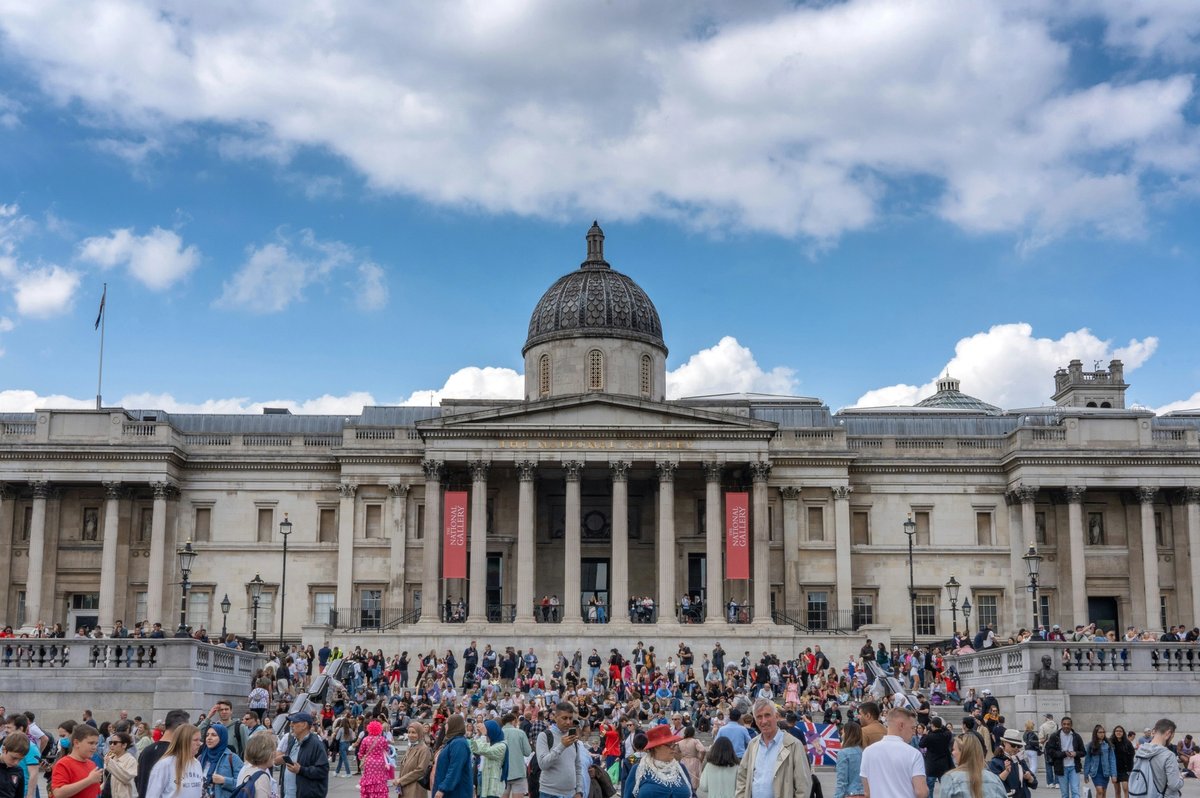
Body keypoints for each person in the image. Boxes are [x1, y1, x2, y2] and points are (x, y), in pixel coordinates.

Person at [733, 698, 811, 798]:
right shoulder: (752, 744)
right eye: (759, 717)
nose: (764, 721)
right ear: (755, 721)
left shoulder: (794, 745)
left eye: (767, 715)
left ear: (777, 716)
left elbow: (803, 786)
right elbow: (742, 777)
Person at [859, 707, 927, 798]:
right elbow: (921, 792)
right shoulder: (914, 754)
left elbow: (867, 792)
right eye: (912, 728)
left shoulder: (868, 752)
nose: (914, 732)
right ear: (901, 725)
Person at [624, 725, 690, 798]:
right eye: (670, 745)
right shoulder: (639, 769)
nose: (673, 749)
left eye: (674, 745)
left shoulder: (680, 768)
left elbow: (692, 794)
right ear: (656, 747)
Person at [535, 702, 585, 798]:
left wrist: (579, 791)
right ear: (555, 717)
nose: (568, 722)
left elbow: (578, 766)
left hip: (571, 793)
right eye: (564, 718)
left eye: (570, 718)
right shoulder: (545, 736)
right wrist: (562, 746)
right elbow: (543, 765)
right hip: (549, 793)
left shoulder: (572, 738)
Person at [273, 712, 328, 798]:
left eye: (294, 722)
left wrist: (301, 770)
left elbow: (323, 771)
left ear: (304, 725)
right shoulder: (292, 742)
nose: (291, 725)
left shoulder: (316, 744)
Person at [138, 710, 191, 798]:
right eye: (186, 728)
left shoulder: (146, 750)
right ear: (180, 727)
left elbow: (139, 781)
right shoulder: (177, 752)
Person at [144, 724, 203, 798]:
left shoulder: (197, 763)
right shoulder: (165, 765)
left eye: (200, 740)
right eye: (195, 740)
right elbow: (152, 795)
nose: (200, 743)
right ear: (183, 741)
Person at [938, 734, 1005, 798]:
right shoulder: (995, 779)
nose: (952, 753)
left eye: (954, 749)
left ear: (964, 752)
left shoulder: (950, 779)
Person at [1130, 719, 1183, 798]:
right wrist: (1181, 778)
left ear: (1154, 731)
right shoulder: (1168, 755)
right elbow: (1174, 785)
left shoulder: (1140, 751)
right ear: (1168, 733)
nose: (1171, 739)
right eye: (1172, 736)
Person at [51, 726, 104, 798]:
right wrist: (89, 780)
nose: (94, 747)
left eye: (96, 743)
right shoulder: (63, 764)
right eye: (91, 743)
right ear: (76, 743)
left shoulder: (92, 764)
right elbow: (58, 793)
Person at [431, 715, 472, 798]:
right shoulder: (451, 742)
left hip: (456, 792)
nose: (445, 726)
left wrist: (443, 788)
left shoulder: (459, 743)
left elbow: (455, 768)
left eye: (447, 724)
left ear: (454, 725)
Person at [988, 730, 1036, 798]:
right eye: (1013, 745)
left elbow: (1034, 784)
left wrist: (1030, 778)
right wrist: (1006, 772)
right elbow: (994, 785)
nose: (1016, 748)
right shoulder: (996, 762)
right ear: (1004, 743)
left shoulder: (1020, 759)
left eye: (1019, 746)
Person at [1044, 717, 1084, 798]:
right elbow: (1050, 752)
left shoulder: (1076, 736)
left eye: (1068, 724)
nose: (1066, 726)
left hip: (1074, 767)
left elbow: (1083, 752)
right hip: (1061, 768)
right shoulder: (1054, 736)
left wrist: (1076, 753)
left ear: (1071, 725)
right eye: (1064, 724)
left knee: (1075, 791)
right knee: (1065, 794)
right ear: (1061, 725)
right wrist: (1064, 754)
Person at [200, 725, 244, 798]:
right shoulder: (201, 758)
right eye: (207, 735)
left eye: (214, 735)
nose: (209, 738)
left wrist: (224, 780)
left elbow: (243, 783)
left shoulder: (232, 758)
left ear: (222, 738)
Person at [468, 721, 507, 798]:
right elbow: (474, 749)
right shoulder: (489, 744)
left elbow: (484, 750)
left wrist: (483, 735)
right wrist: (478, 735)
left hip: (493, 787)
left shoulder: (502, 746)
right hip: (483, 781)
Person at [232, 732, 278, 798]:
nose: (275, 754)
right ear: (266, 753)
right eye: (273, 750)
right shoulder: (262, 777)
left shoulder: (247, 770)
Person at [394, 723, 430, 798]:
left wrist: (401, 780)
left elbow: (420, 770)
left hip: (415, 789)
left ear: (420, 733)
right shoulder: (411, 746)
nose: (410, 735)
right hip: (406, 787)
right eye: (409, 732)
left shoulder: (424, 749)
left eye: (414, 732)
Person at [356, 721, 391, 798]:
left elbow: (360, 753)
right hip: (380, 762)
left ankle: (369, 795)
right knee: (380, 780)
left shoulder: (365, 739)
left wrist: (362, 758)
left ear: (369, 729)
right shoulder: (382, 739)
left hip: (369, 762)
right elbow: (387, 750)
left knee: (369, 779)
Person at [922, 717, 953, 795]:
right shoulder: (946, 735)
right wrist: (940, 726)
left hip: (931, 765)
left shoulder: (929, 737)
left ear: (932, 725)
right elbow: (948, 731)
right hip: (943, 765)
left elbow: (921, 744)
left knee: (930, 787)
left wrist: (924, 735)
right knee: (945, 787)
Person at [1083, 725, 1117, 798]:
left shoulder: (1108, 745)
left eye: (1103, 732)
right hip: (1095, 772)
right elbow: (1087, 760)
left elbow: (1112, 760)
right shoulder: (1090, 745)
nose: (1102, 734)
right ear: (1096, 733)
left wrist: (1113, 774)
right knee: (1099, 790)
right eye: (1100, 732)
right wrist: (1086, 774)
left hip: (1106, 772)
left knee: (1103, 793)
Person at [834, 722, 864, 798]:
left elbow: (842, 781)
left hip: (850, 794)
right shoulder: (864, 751)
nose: (841, 733)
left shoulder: (843, 753)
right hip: (865, 793)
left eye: (843, 731)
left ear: (848, 734)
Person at [104, 732, 139, 798]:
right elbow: (107, 779)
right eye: (110, 742)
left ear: (124, 745)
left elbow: (126, 778)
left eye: (115, 743)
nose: (111, 745)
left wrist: (110, 763)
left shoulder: (131, 760)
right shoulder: (111, 757)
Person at [0, 733, 29, 798]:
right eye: (14, 758)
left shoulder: (18, 771)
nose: (16, 763)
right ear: (4, 750)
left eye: (20, 759)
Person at [1110, 727, 1134, 798]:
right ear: (1114, 732)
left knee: (1126, 788)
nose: (1118, 732)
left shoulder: (1127, 743)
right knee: (1117, 791)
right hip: (1115, 770)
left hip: (1125, 770)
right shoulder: (1111, 742)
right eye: (1117, 731)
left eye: (1120, 731)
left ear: (1123, 733)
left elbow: (1132, 755)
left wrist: (1130, 769)